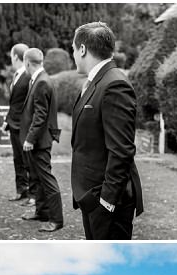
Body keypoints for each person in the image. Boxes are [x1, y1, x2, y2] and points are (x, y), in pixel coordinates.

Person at [71, 21, 143, 240]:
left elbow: (122, 150)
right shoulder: (96, 81)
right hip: (90, 196)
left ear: (82, 49)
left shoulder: (114, 85)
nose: (73, 54)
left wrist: (106, 202)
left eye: (73, 49)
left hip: (107, 202)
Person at [19, 48, 63, 233]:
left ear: (27, 62)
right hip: (40, 139)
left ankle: (56, 219)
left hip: (41, 140)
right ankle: (42, 212)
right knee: (37, 177)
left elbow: (40, 115)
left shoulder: (42, 82)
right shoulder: (39, 79)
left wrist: (30, 139)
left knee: (47, 179)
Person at [2, 43, 33, 204]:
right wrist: (7, 121)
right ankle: (21, 190)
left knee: (27, 160)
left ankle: (33, 195)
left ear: (15, 57)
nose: (11, 60)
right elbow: (14, 103)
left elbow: (28, 104)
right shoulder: (17, 75)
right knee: (17, 159)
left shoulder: (28, 76)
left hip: (24, 126)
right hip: (13, 124)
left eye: (11, 57)